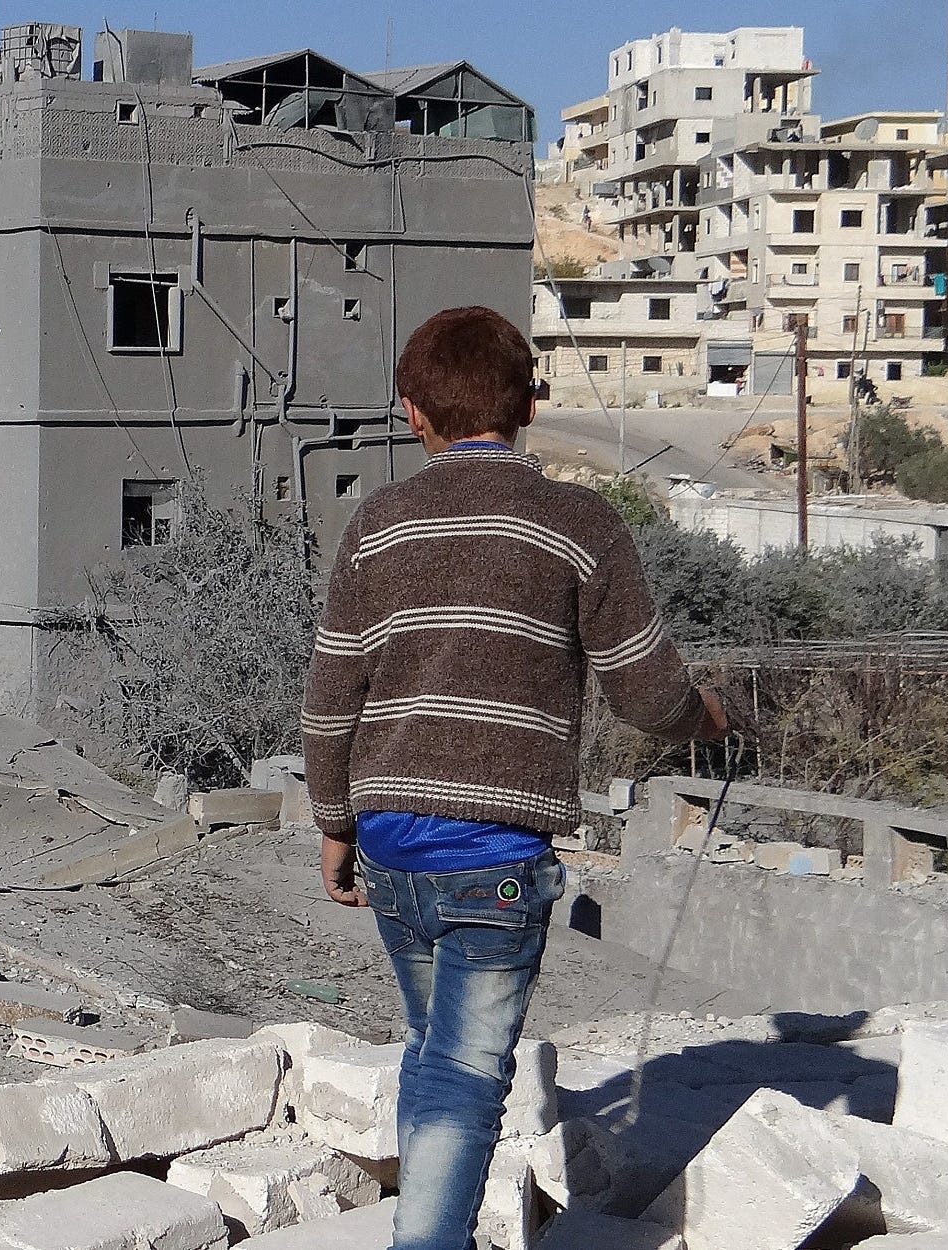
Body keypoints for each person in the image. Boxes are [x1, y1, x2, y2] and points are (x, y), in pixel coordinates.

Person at [301, 306, 728, 1250]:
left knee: (436, 1053)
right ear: (529, 404)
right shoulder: (579, 523)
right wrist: (708, 722)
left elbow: (332, 693)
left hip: (391, 846)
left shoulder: (378, 525)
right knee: (461, 1071)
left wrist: (334, 820)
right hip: (492, 853)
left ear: (413, 413)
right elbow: (649, 693)